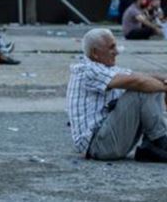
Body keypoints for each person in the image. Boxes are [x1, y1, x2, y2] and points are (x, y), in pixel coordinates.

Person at [66, 28, 167, 162]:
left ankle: (151, 146)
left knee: (149, 84)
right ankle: (160, 141)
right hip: (98, 146)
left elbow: (143, 76)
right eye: (111, 47)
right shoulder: (88, 70)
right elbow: (138, 82)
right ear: (95, 53)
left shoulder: (106, 68)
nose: (117, 51)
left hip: (109, 139)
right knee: (142, 89)